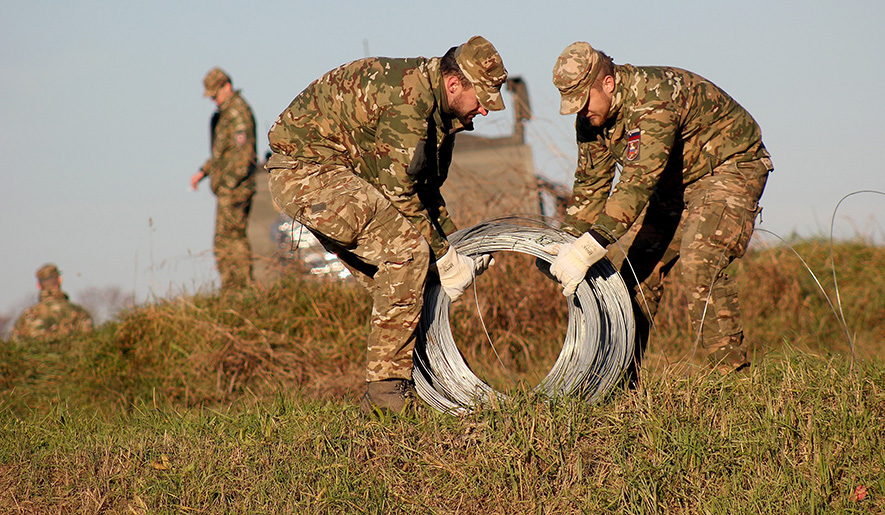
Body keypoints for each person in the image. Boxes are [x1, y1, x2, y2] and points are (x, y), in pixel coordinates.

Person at [266, 36, 507, 414]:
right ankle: (385, 398)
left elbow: (423, 191)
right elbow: (399, 191)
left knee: (404, 281)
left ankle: (421, 383)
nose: (486, 111)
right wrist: (445, 255)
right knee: (408, 254)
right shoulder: (409, 103)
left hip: (341, 175)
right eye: (482, 99)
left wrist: (456, 244)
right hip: (306, 173)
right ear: (454, 83)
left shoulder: (440, 111)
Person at [549, 42, 773, 373]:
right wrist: (566, 244)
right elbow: (590, 188)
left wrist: (588, 248)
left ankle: (733, 378)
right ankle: (620, 381)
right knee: (628, 276)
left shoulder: (653, 97)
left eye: (583, 101)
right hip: (671, 186)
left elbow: (637, 182)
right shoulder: (592, 120)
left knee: (700, 260)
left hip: (729, 167)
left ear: (607, 83)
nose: (581, 112)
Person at [190, 67, 258, 291]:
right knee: (224, 239)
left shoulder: (237, 112)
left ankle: (239, 287)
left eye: (215, 94)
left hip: (236, 187)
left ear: (226, 86)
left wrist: (228, 185)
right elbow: (223, 154)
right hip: (228, 187)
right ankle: (232, 287)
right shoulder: (224, 114)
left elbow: (244, 155)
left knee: (231, 238)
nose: (213, 100)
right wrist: (204, 171)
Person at [10, 264, 93, 342]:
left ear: (38, 285)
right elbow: (89, 345)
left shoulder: (26, 317)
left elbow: (14, 350)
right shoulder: (78, 313)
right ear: (60, 280)